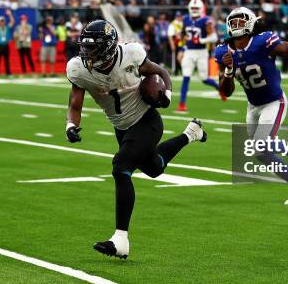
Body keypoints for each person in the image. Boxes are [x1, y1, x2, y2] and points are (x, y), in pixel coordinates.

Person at [65, 20, 207, 259]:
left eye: (92, 48)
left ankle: (120, 240)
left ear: (108, 47)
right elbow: (74, 103)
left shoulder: (131, 54)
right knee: (154, 168)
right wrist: (71, 125)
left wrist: (168, 95)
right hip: (122, 129)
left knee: (121, 168)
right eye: (85, 47)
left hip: (146, 121)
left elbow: (160, 72)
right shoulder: (78, 69)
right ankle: (191, 133)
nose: (87, 53)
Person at [216, 7, 288, 204]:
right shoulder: (223, 51)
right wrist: (228, 71)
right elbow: (226, 91)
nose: (237, 25)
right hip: (253, 105)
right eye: (234, 21)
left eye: (241, 21)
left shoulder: (263, 42)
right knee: (260, 153)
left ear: (251, 23)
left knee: (259, 147)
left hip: (274, 102)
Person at [177, 0, 224, 111]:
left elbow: (214, 37)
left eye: (196, 8)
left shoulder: (206, 20)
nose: (194, 10)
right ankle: (182, 104)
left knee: (204, 79)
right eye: (192, 8)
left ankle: (220, 88)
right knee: (186, 76)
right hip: (189, 51)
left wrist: (201, 40)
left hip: (201, 52)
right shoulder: (185, 19)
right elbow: (183, 36)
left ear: (201, 9)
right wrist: (183, 48)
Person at [0, 9, 15, 77]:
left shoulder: (7, 27)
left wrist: (10, 14)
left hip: (6, 46)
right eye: (1, 21)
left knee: (7, 61)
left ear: (4, 22)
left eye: (3, 21)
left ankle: (8, 73)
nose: (2, 22)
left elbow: (12, 22)